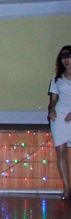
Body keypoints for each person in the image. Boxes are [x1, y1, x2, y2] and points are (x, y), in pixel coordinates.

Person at [48, 45, 71, 200]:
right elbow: (53, 100)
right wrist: (52, 110)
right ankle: (66, 188)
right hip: (60, 117)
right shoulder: (57, 79)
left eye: (68, 56)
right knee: (61, 152)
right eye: (63, 57)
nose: (66, 60)